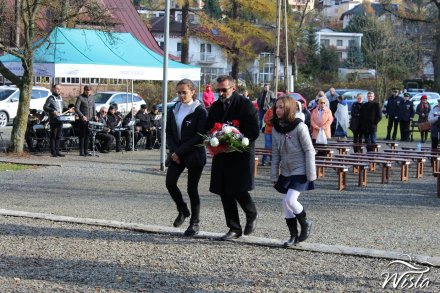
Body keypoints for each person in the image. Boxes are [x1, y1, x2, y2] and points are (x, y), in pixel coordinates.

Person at [206, 75, 260, 240]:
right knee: (224, 191)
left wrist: (237, 140)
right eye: (219, 90)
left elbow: (253, 131)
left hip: (240, 153)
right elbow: (209, 127)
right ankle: (234, 227)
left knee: (238, 188)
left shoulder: (245, 105)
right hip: (222, 154)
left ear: (233, 88)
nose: (221, 93)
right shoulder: (215, 106)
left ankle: (251, 213)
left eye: (224, 89)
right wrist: (214, 139)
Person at [270, 95, 316, 247]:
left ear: (289, 108)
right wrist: (274, 174)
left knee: (291, 200)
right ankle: (293, 236)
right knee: (285, 202)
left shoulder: (300, 126)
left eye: (281, 107)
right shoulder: (276, 128)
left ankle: (305, 222)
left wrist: (311, 174)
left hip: (301, 168)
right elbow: (276, 153)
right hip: (286, 170)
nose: (278, 110)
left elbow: (309, 150)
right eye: (276, 107)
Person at [165, 78, 207, 236]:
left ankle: (194, 223)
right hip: (177, 153)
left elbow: (200, 136)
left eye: (184, 92)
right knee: (170, 182)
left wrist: (179, 152)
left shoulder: (200, 110)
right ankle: (182, 209)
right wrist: (174, 151)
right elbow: (169, 133)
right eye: (179, 92)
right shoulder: (174, 109)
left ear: (193, 92)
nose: (181, 95)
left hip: (194, 153)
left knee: (192, 188)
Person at [43, 84, 65, 157]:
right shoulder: (51, 98)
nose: (58, 90)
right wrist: (53, 111)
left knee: (59, 136)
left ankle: (57, 150)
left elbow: (62, 108)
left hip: (60, 119)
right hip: (53, 119)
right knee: (53, 136)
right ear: (53, 89)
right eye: (57, 89)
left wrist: (69, 109)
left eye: (59, 89)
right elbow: (45, 107)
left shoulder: (61, 97)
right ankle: (53, 152)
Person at [75, 85, 96, 156]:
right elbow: (76, 108)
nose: (88, 92)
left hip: (90, 120)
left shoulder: (92, 97)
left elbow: (93, 107)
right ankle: (81, 151)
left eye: (89, 90)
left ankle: (86, 150)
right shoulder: (80, 97)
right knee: (82, 136)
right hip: (83, 120)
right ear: (84, 90)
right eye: (87, 90)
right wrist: (82, 116)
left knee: (87, 135)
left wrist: (95, 115)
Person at [261, 101, 274, 166]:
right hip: (268, 131)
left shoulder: (278, 111)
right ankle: (264, 161)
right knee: (267, 146)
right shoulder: (269, 111)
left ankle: (271, 161)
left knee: (273, 146)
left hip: (275, 132)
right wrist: (271, 122)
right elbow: (265, 119)